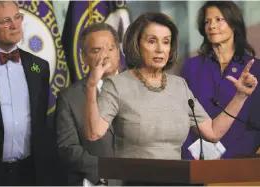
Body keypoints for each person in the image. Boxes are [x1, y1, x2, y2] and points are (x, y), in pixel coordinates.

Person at [84, 11, 258, 161]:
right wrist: (92, 85)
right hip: (134, 180)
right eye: (152, 41)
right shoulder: (117, 85)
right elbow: (94, 133)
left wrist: (240, 96)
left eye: (166, 42)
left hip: (175, 179)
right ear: (137, 44)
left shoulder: (179, 85)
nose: (160, 49)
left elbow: (213, 133)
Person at [0, 1, 59, 185]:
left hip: (31, 172)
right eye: (5, 21)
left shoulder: (39, 67)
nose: (15, 25)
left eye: (17, 17)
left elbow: (40, 122)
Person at [181, 1, 260, 160]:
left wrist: (230, 156)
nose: (212, 26)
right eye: (207, 21)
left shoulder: (255, 68)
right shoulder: (191, 67)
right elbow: (183, 118)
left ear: (233, 24)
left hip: (239, 160)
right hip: (196, 159)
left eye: (219, 19)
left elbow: (256, 125)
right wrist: (192, 153)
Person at [56, 23, 121, 186]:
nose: (104, 56)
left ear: (118, 52)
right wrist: (106, 171)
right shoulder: (69, 97)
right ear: (84, 57)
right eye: (97, 50)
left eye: (110, 48)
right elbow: (69, 148)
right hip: (96, 182)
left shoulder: (137, 86)